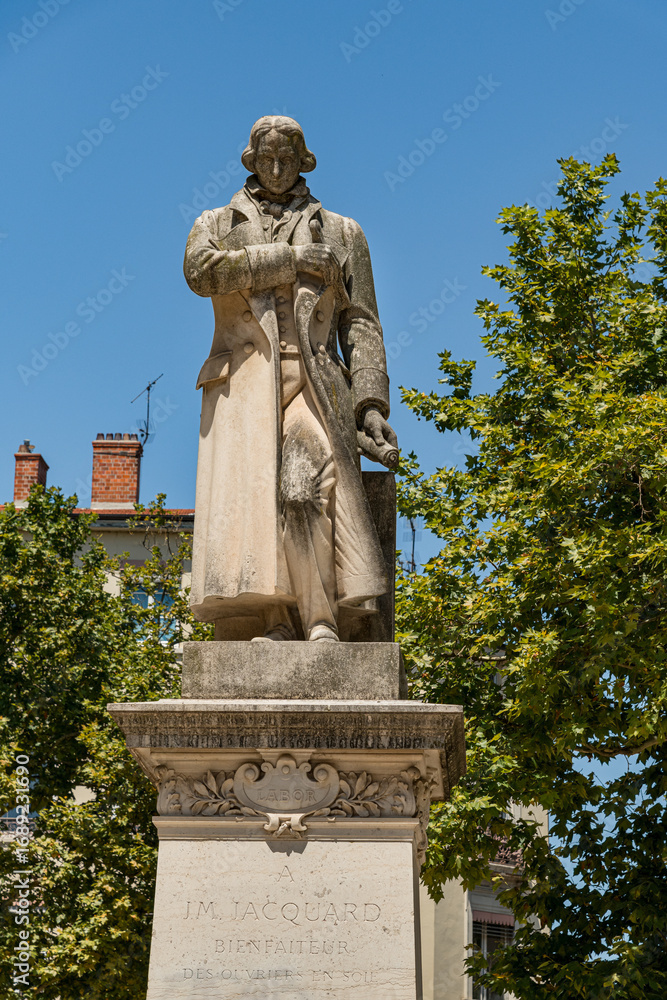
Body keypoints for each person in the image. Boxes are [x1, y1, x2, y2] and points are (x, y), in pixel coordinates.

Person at [184, 115, 397, 642]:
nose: (276, 169)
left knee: (301, 490)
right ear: (251, 160)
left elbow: (360, 323)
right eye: (267, 159)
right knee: (253, 511)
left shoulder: (344, 232)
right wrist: (290, 259)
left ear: (305, 162)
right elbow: (200, 272)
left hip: (312, 380)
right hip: (243, 384)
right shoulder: (217, 223)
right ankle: (275, 619)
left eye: (287, 159)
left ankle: (320, 619)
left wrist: (371, 405)